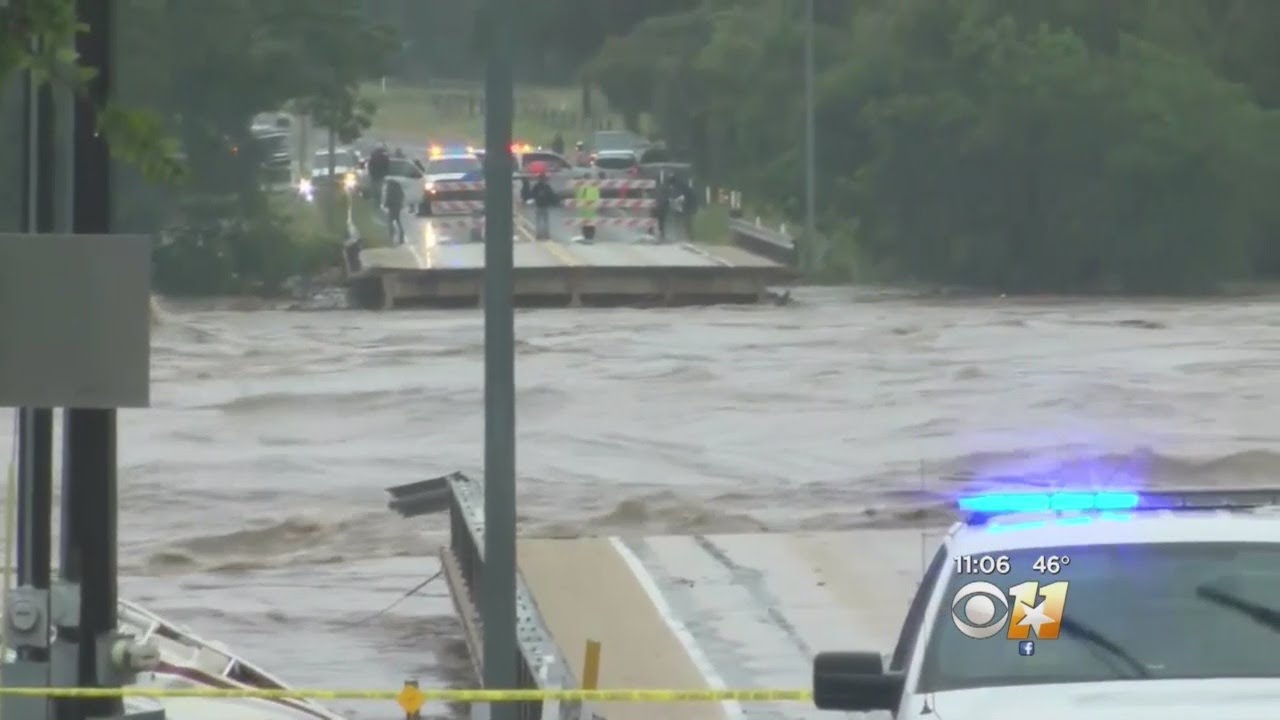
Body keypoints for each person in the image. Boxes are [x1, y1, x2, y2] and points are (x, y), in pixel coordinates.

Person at [530, 172, 558, 239]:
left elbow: (532, 194)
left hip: (538, 205)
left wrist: (536, 198)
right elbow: (551, 195)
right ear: (544, 179)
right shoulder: (547, 186)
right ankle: (546, 234)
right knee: (545, 221)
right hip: (545, 206)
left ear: (539, 179)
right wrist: (553, 203)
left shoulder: (536, 186)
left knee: (538, 221)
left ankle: (538, 235)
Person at [383, 177, 406, 245]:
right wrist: (400, 204)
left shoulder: (389, 187)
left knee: (390, 222)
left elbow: (388, 197)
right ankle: (401, 238)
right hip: (397, 207)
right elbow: (402, 195)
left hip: (392, 207)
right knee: (398, 222)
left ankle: (391, 238)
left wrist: (385, 204)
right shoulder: (398, 187)